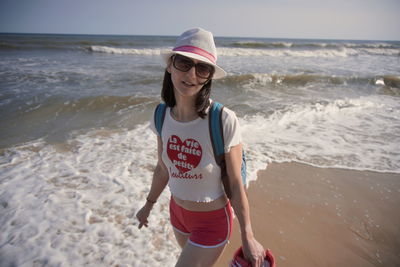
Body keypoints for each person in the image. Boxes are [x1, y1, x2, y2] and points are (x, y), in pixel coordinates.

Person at [136, 27, 265, 267]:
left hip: (212, 221)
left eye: (202, 68)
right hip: (177, 214)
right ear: (170, 65)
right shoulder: (160, 115)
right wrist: (149, 204)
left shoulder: (222, 119)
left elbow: (236, 183)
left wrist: (248, 235)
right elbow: (163, 169)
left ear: (209, 76)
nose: (192, 74)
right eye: (184, 63)